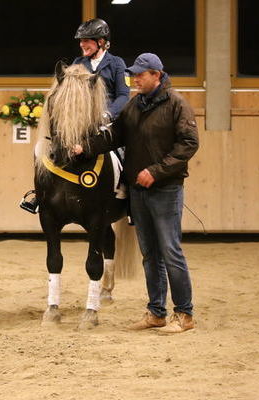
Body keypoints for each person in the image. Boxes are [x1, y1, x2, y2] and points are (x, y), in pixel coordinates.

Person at [75, 53, 199, 333]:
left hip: (165, 189)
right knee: (150, 253)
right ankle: (156, 312)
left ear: (157, 74)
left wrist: (156, 171)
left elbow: (189, 144)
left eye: (141, 74)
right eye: (134, 74)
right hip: (138, 192)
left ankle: (185, 314)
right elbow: (114, 136)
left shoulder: (177, 105)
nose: (135, 78)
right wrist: (85, 146)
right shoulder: (134, 106)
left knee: (170, 251)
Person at [20, 18, 129, 213]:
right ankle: (41, 194)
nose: (82, 44)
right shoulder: (78, 63)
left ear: (101, 42)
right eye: (81, 41)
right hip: (81, 124)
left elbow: (123, 95)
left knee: (122, 151)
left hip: (107, 122)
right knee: (41, 148)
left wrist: (107, 114)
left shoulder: (117, 64)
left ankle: (126, 192)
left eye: (87, 40)